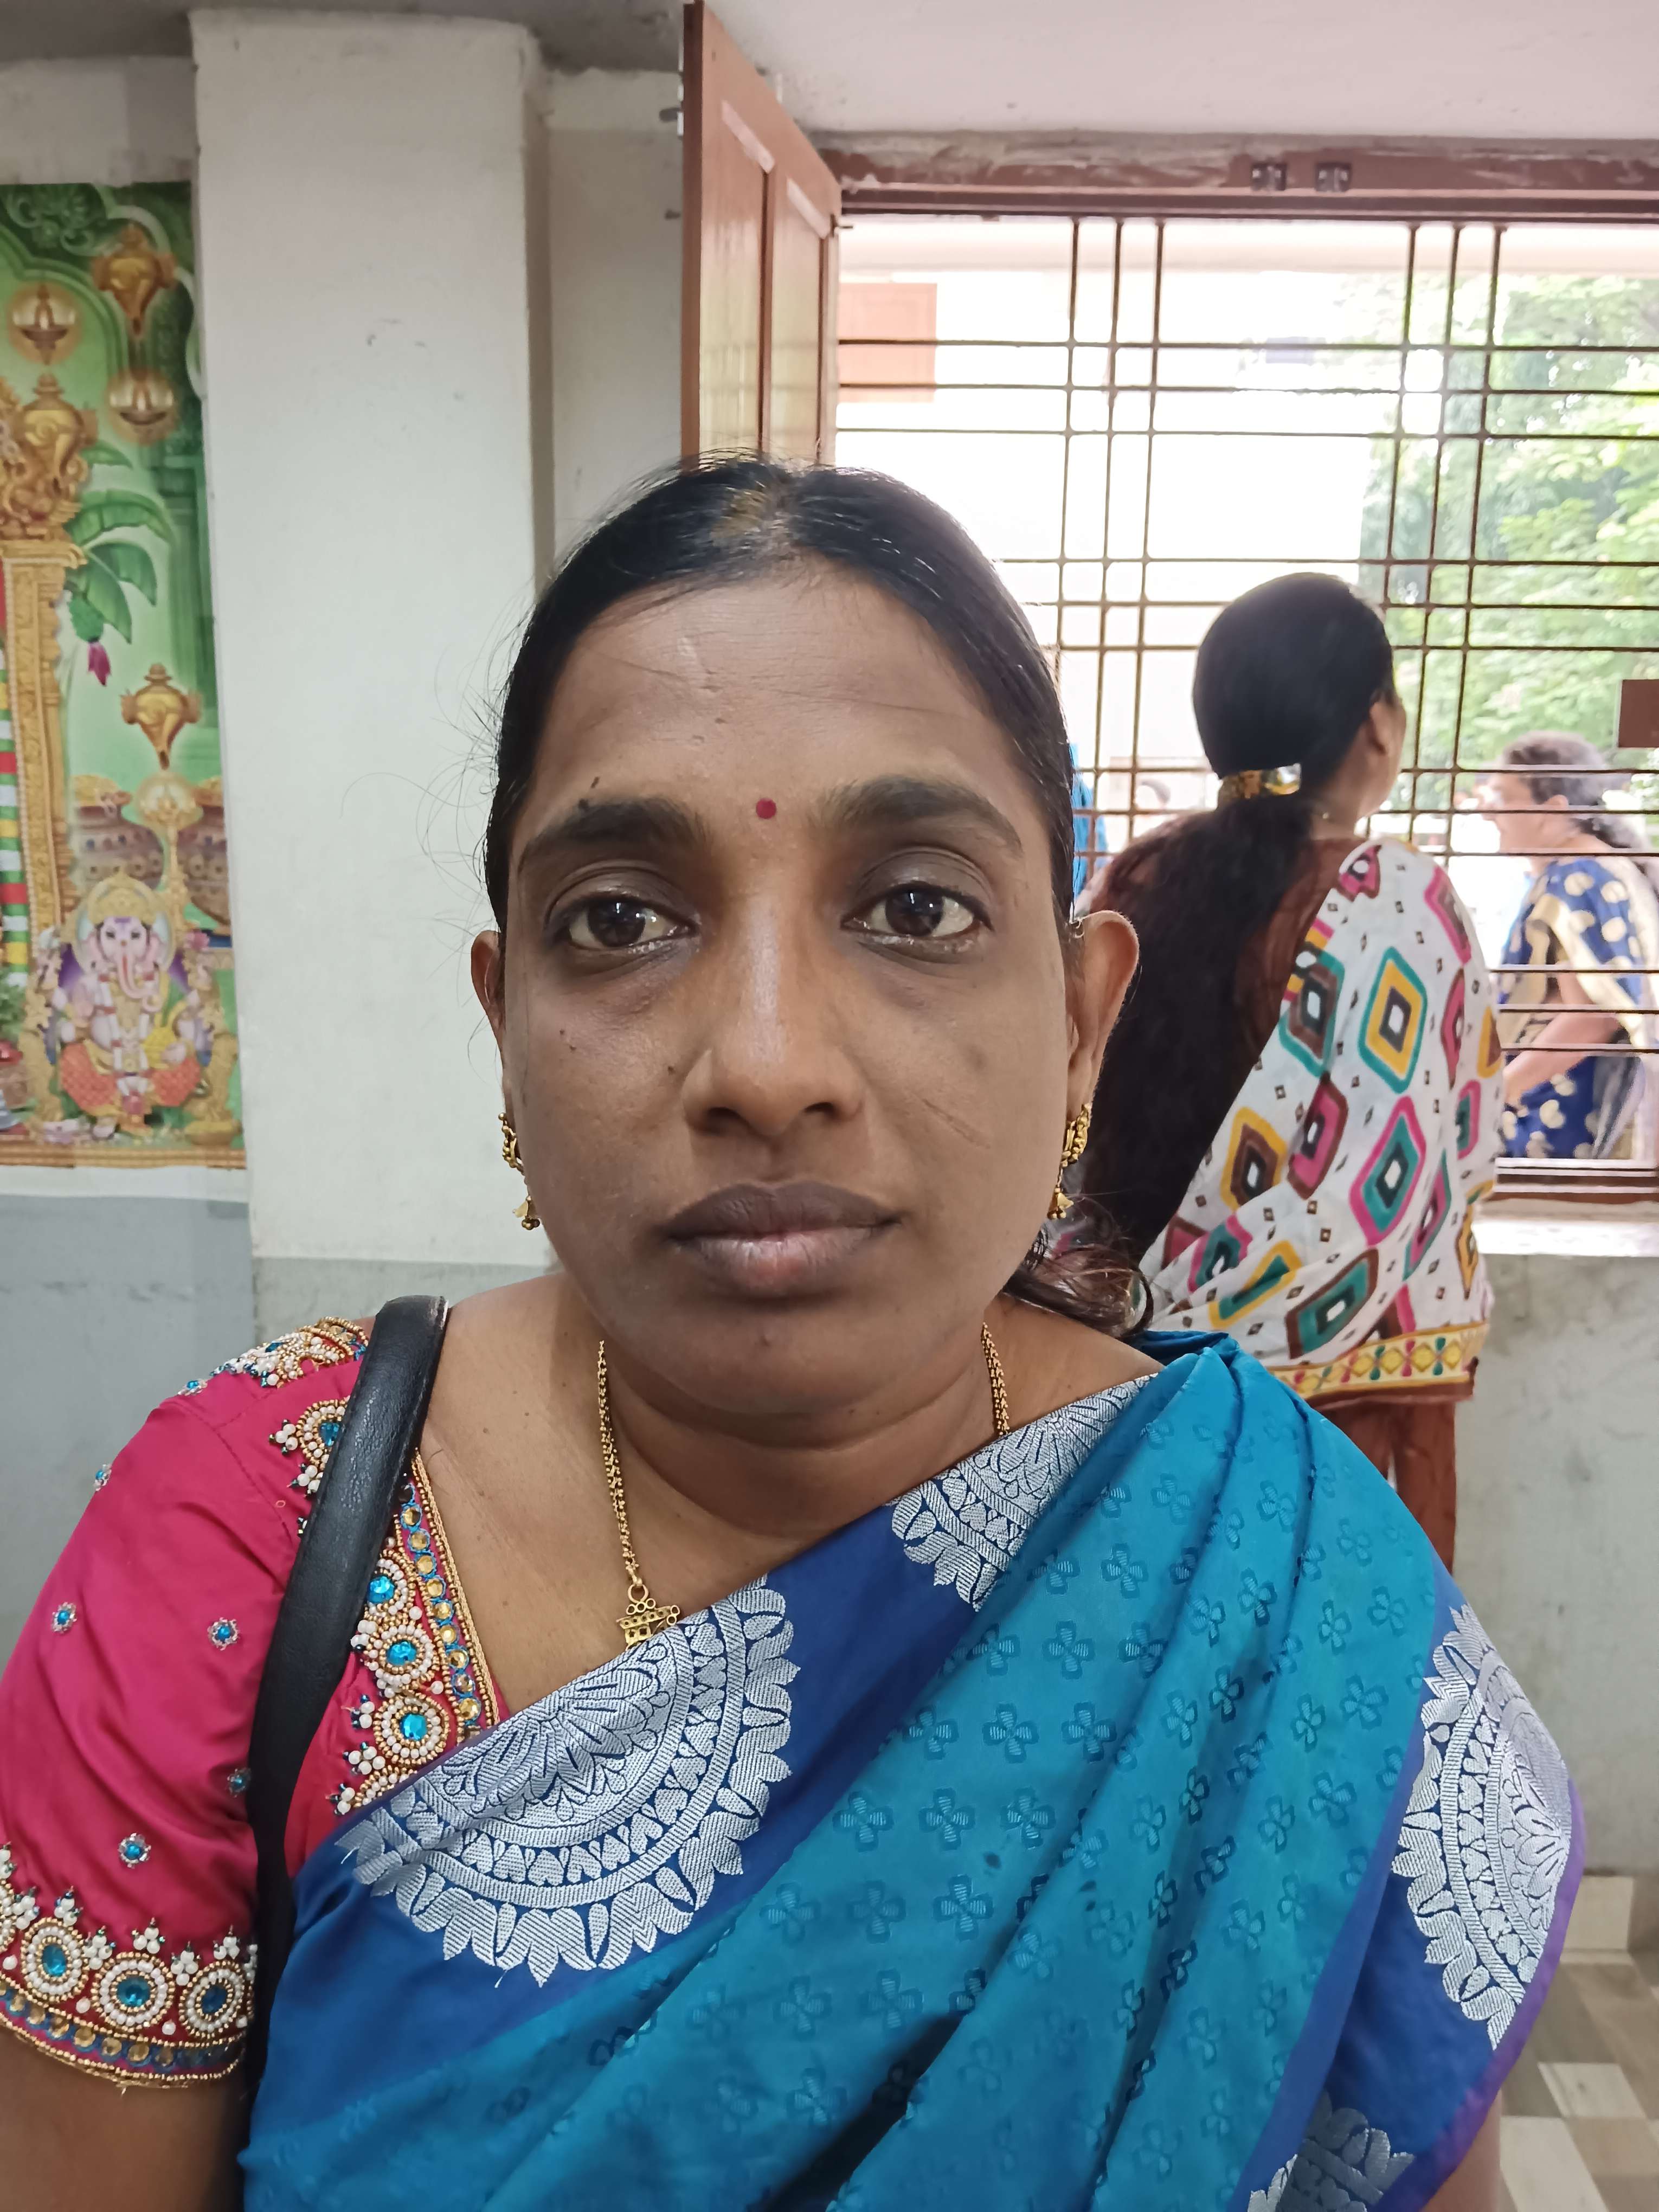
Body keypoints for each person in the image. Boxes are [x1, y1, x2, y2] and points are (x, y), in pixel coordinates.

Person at [0, 472, 1573, 2212]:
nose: (764, 1061)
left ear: (1079, 1023)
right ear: (504, 1023)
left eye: (915, 908)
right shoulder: (236, 1552)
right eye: (620, 917)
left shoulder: (1290, 1589)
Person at [1077, 575, 1502, 1569]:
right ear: (1378, 726)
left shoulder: (1138, 880)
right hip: (1341, 1411)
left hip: (1126, 1377)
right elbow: (1427, 1172)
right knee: (1333, 1651)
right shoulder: (1397, 902)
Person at [1477, 732, 1659, 1161]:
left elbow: (1593, 1015)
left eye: (1503, 798)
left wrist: (1496, 1095)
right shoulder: (1597, 868)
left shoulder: (1578, 877)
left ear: (1553, 810)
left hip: (1556, 1117)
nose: (1488, 813)